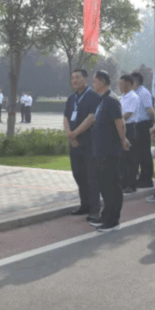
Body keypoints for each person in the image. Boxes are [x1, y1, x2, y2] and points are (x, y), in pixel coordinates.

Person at [81, 70, 130, 232]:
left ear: (102, 82)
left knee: (111, 186)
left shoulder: (111, 100)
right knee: (104, 186)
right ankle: (105, 215)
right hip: (100, 151)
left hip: (110, 151)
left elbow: (120, 122)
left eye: (94, 81)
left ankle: (112, 220)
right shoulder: (102, 100)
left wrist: (123, 141)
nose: (92, 84)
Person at [63, 69, 102, 222]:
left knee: (91, 176)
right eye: (72, 78)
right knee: (78, 174)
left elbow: (91, 118)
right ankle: (84, 204)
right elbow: (66, 117)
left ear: (86, 79)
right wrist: (69, 133)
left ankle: (94, 209)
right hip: (74, 143)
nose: (75, 81)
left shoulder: (93, 96)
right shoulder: (71, 98)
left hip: (89, 142)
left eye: (78, 77)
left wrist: (76, 133)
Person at [131, 72, 155, 189]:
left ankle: (147, 179)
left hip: (143, 125)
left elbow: (150, 111)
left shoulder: (144, 93)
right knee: (137, 153)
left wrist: (153, 123)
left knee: (144, 153)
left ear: (135, 82)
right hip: (135, 125)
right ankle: (139, 177)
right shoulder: (134, 93)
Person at [118, 75, 140, 193]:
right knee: (123, 158)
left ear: (128, 84)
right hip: (122, 126)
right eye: (119, 83)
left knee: (130, 158)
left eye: (122, 83)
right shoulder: (123, 97)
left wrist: (116, 122)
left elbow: (127, 115)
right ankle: (124, 183)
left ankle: (131, 185)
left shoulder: (133, 97)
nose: (120, 86)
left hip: (130, 128)